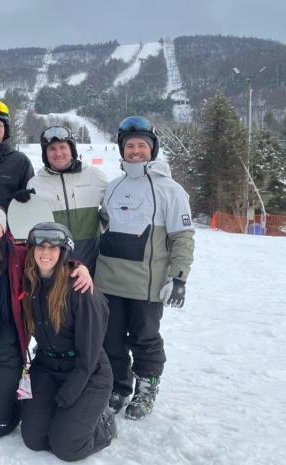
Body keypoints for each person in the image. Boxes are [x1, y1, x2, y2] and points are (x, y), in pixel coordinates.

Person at [0, 204, 93, 439]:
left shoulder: (17, 256)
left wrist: (79, 267)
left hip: (5, 351)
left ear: (3, 230)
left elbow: (50, 259)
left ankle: (0, 401)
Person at [97, 116, 194, 420]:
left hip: (147, 285)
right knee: (109, 338)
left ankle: (147, 387)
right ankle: (118, 386)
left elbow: (182, 236)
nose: (135, 151)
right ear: (122, 150)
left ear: (152, 149)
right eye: (129, 145)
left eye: (141, 145)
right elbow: (104, 227)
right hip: (108, 281)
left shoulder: (171, 189)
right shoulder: (113, 186)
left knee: (145, 339)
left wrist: (178, 278)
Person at [19, 222, 116, 461]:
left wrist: (70, 393)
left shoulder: (81, 291)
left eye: (54, 247)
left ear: (64, 251)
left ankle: (104, 423)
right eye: (40, 246)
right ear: (31, 249)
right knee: (34, 439)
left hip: (87, 373)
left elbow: (89, 357)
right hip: (47, 366)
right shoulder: (29, 283)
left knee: (66, 446)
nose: (46, 252)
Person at [24, 126, 107, 273]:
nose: (58, 153)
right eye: (52, 149)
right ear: (45, 154)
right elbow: (31, 227)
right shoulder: (35, 184)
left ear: (72, 150)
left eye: (63, 147)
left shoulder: (95, 176)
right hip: (54, 265)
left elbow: (111, 212)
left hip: (90, 262)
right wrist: (20, 205)